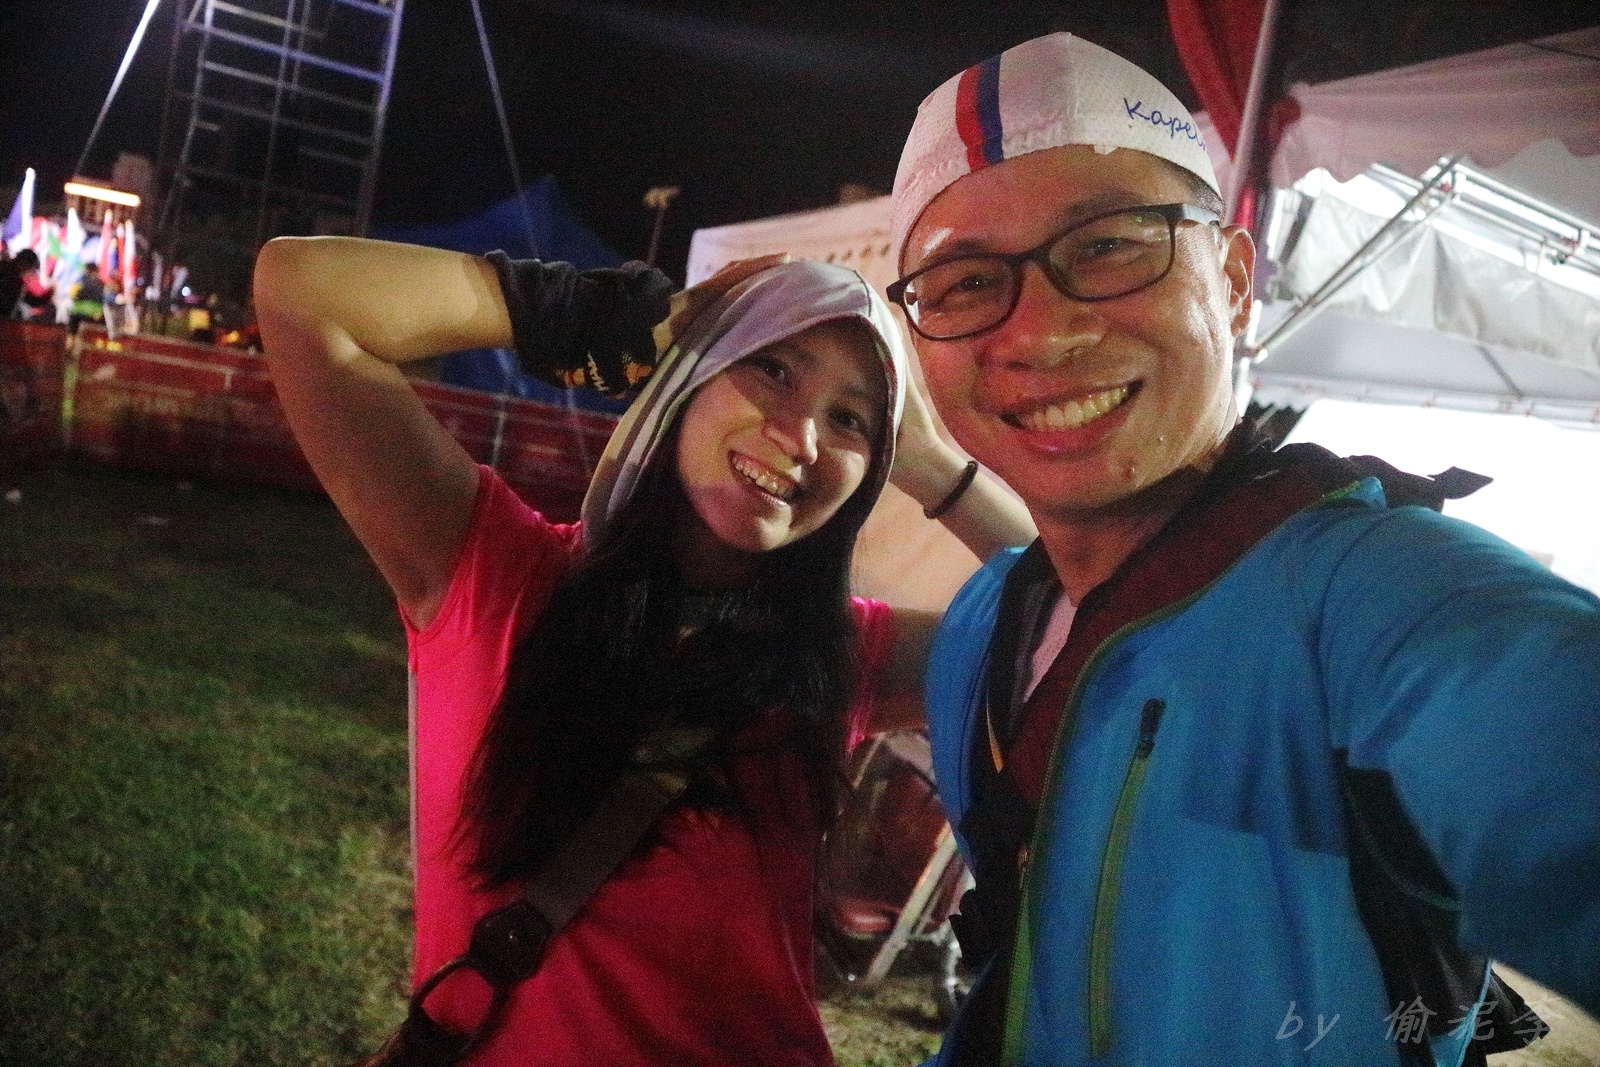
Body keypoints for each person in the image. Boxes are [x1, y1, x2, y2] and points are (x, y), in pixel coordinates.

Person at [883, 32, 1600, 1067]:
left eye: (1108, 245)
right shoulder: (983, 626)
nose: (1039, 333)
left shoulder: (1367, 598)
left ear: (1228, 277)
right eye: (961, 282)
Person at [252, 238, 1033, 1066]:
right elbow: (303, 291)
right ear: (693, 376)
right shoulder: (500, 578)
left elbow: (1071, 617)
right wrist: (620, 319)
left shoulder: (844, 656)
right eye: (772, 369)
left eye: (850, 419)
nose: (802, 434)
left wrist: (928, 460)